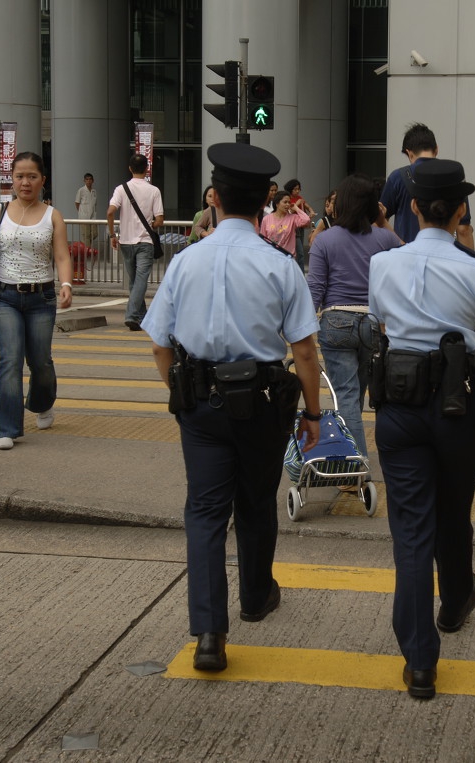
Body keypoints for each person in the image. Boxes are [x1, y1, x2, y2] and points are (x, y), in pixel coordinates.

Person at [145, 142, 323, 674]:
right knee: (255, 500)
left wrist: (180, 393)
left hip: (200, 403)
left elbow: (158, 342)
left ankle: (208, 634)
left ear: (215, 198)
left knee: (203, 511)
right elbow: (305, 350)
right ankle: (255, 596)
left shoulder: (185, 261)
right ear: (266, 200)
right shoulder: (281, 265)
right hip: (265, 404)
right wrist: (312, 414)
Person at [368, 158, 475, 700]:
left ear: (411, 208)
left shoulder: (385, 264)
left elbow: (384, 324)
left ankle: (420, 661)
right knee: (454, 511)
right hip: (458, 407)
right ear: (460, 211)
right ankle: (454, 603)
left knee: (410, 530)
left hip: (399, 407)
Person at [0, 151, 74, 451]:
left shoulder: (53, 215)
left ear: (42, 180)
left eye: (32, 176)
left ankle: (42, 402)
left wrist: (66, 284)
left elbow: (61, 255)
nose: (25, 182)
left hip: (42, 297)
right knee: (10, 359)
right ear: (12, 179)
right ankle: (6, 428)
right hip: (4, 297)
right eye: (20, 176)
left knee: (40, 362)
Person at [306, 175, 401, 455]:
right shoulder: (384, 238)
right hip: (373, 323)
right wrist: (384, 223)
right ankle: (352, 450)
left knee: (346, 395)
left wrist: (303, 326)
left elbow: (316, 287)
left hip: (336, 322)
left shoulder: (324, 240)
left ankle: (355, 463)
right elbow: (409, 258)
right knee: (356, 393)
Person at [380, 123, 475, 250]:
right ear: (436, 149)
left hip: (407, 258)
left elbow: (379, 220)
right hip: (446, 259)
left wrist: (401, 245)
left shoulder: (397, 177)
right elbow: (463, 230)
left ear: (409, 153)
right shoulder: (453, 176)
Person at [106, 154, 164, 331]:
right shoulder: (154, 190)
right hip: (145, 242)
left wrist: (112, 236)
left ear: (130, 168)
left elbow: (110, 212)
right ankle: (132, 316)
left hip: (126, 241)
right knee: (140, 281)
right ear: (147, 168)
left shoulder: (121, 189)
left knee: (134, 282)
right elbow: (160, 220)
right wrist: (150, 224)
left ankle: (142, 317)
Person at [260, 190, 311, 257]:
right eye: (285, 202)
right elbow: (263, 239)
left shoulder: (293, 218)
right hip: (272, 256)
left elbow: (306, 220)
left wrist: (296, 208)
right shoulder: (266, 219)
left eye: (289, 202)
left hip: (288, 257)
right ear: (277, 204)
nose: (288, 204)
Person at [284, 178, 317, 268]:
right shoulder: (287, 199)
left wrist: (311, 211)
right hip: (293, 227)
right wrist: (297, 203)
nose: (297, 191)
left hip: (301, 225)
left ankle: (299, 272)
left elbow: (308, 206)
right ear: (290, 189)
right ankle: (298, 271)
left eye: (298, 189)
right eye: (295, 189)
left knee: (300, 250)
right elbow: (289, 211)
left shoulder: (300, 198)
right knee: (299, 253)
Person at [74, 173, 98, 249]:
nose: (88, 181)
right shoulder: (81, 190)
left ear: (93, 180)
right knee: (86, 235)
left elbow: (95, 204)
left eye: (90, 179)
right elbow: (77, 203)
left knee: (94, 233)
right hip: (84, 216)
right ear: (84, 181)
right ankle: (87, 253)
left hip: (93, 217)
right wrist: (81, 212)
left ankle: (85, 245)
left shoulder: (94, 191)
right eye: (87, 179)